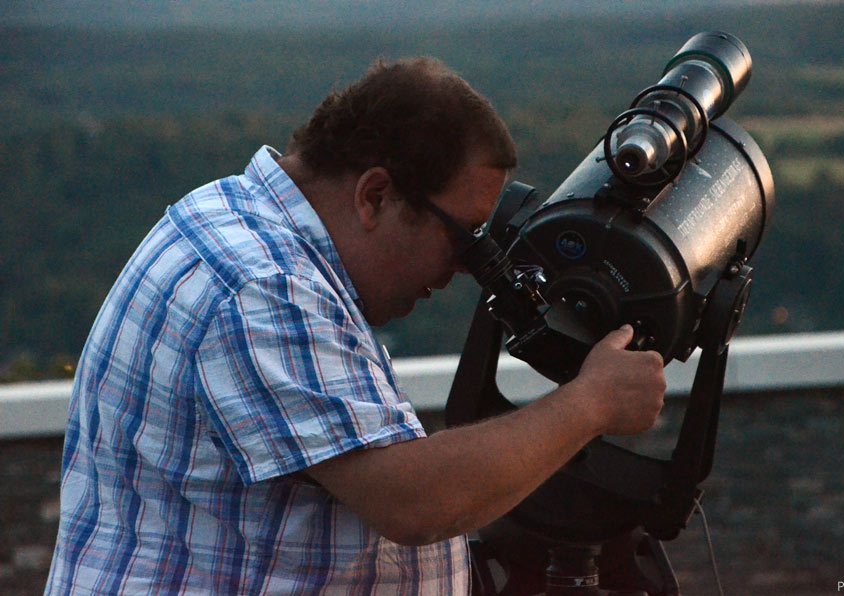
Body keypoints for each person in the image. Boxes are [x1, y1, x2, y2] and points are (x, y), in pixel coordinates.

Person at [45, 57, 665, 595]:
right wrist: (591, 403)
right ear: (374, 195)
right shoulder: (263, 285)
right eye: (462, 237)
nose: (465, 269)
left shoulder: (236, 222)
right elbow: (415, 503)